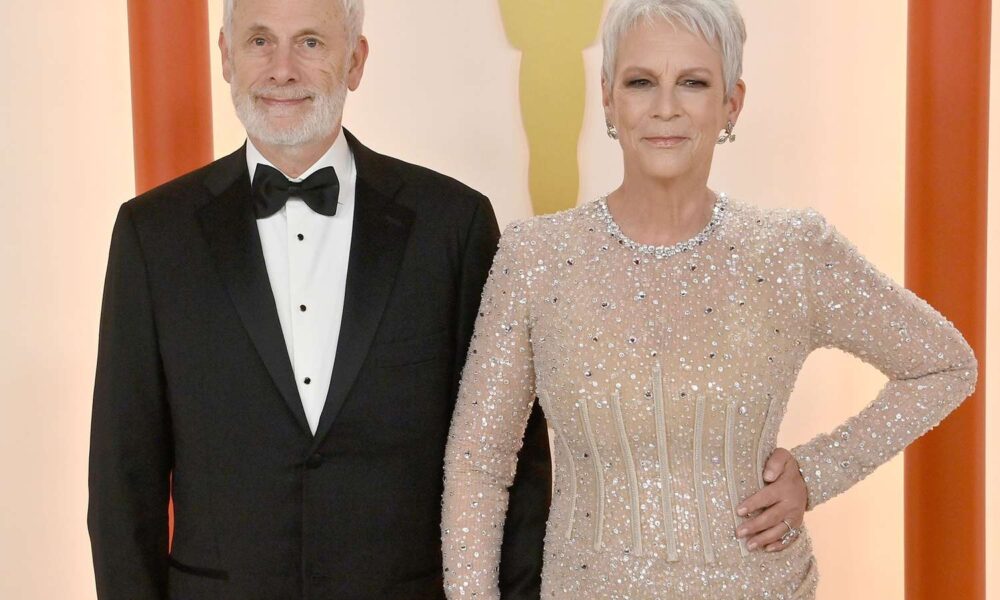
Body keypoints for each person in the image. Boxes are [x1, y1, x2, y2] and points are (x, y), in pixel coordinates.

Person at [440, 0, 978, 597]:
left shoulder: (791, 250)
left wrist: (816, 472)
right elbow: (479, 461)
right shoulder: (536, 257)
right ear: (608, 99)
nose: (665, 107)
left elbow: (945, 364)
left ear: (731, 103)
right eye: (641, 81)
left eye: (693, 83)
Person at [87, 0, 552, 598]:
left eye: (310, 42)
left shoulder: (453, 225)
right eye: (259, 41)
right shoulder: (152, 235)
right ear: (226, 56)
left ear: (355, 61)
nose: (282, 69)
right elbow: (123, 482)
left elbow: (512, 460)